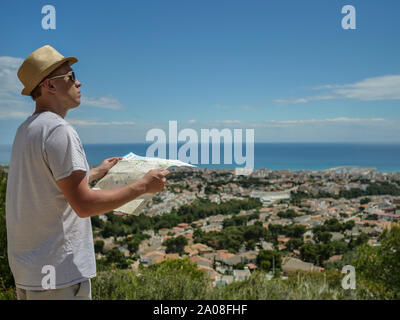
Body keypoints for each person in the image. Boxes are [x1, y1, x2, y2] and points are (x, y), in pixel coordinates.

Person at [6, 45, 169, 300]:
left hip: (30, 273)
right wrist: (143, 186)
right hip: (60, 275)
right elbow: (84, 205)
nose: (79, 82)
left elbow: (48, 186)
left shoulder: (26, 130)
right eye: (70, 77)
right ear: (49, 85)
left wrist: (96, 172)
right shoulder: (59, 131)